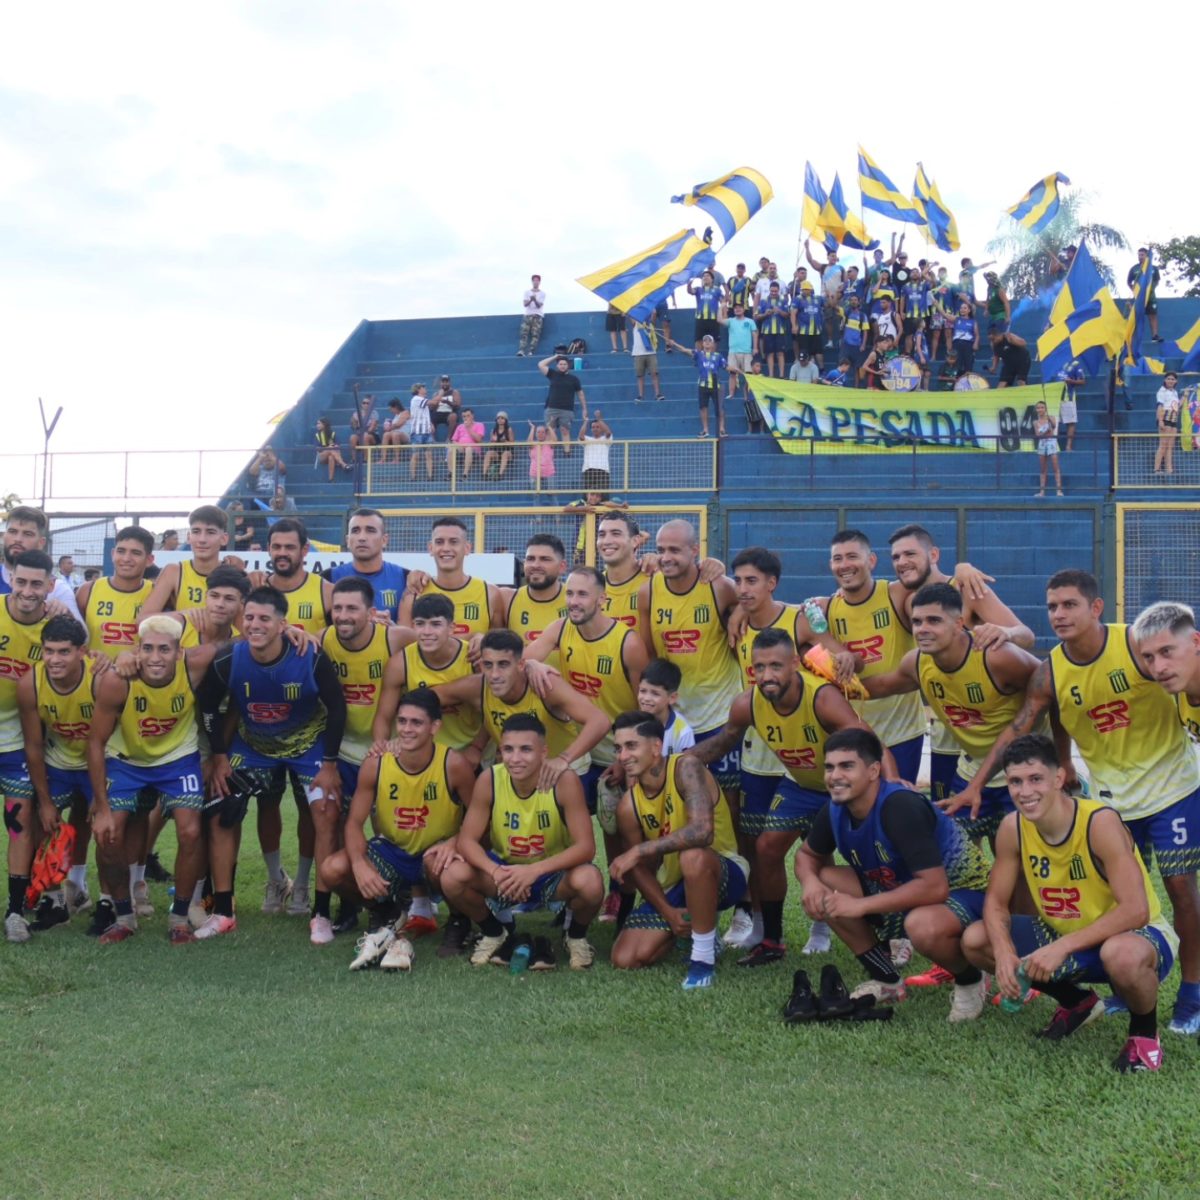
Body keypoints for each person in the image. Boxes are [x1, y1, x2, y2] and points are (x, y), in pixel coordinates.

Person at [954, 568, 1200, 1036]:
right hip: (1112, 799)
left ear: (1096, 608)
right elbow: (1041, 721)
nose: (1059, 614)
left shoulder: (1136, 645)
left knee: (1180, 888)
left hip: (1173, 789)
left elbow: (1180, 671)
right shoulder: (1050, 671)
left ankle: (1192, 990)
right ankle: (1124, 984)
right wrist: (991, 781)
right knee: (1118, 896)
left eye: (1069, 605)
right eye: (1052, 607)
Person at [963, 734, 1176, 1072]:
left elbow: (1136, 910)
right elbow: (996, 903)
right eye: (1016, 781)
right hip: (1066, 936)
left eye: (1036, 779)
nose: (1025, 791)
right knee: (976, 940)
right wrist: (1004, 952)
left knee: (1120, 955)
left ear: (1059, 778)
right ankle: (1078, 1003)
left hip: (1138, 936)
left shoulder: (1098, 822)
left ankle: (1144, 1035)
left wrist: (1061, 947)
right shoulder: (1012, 828)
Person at [690, 628, 887, 966]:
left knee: (865, 858)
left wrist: (893, 786)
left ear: (795, 664)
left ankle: (881, 934)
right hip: (800, 786)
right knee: (766, 848)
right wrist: (680, 762)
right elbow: (722, 743)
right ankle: (771, 938)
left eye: (776, 666)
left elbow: (868, 742)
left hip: (841, 788)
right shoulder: (747, 703)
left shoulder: (822, 697)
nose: (767, 675)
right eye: (759, 667)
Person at [794, 729, 992, 1019]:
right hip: (900, 887)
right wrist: (810, 883)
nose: (835, 776)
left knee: (922, 926)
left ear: (874, 770)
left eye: (847, 766)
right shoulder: (835, 808)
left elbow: (935, 888)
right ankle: (887, 981)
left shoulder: (900, 806)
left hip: (964, 892)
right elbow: (806, 855)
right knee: (825, 882)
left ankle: (970, 980)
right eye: (830, 767)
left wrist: (860, 905)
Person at [861, 582, 1048, 844]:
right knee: (954, 857)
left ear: (959, 623)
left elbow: (1048, 686)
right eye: (917, 622)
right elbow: (880, 686)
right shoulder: (917, 662)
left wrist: (1064, 761)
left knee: (1022, 859)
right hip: (972, 769)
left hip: (1023, 770)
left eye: (934, 620)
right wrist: (832, 683)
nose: (922, 629)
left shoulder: (995, 657)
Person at [85, 616, 221, 943]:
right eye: (147, 649)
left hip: (178, 760)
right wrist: (101, 807)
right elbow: (95, 742)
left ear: (179, 652)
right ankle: (124, 917)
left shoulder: (194, 665)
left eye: (164, 649)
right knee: (108, 835)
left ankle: (178, 919)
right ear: (137, 650)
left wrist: (286, 630)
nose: (155, 657)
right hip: (127, 761)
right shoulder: (119, 681)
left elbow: (242, 643)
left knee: (190, 830)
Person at [521, 565, 647, 919]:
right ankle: (568, 892)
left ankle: (626, 897)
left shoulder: (628, 643)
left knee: (623, 827)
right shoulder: (560, 628)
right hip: (582, 750)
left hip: (619, 751)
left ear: (602, 599)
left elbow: (644, 710)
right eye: (570, 594)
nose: (573, 602)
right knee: (563, 821)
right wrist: (534, 666)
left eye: (582, 595)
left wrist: (626, 759)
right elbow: (525, 657)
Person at [317, 689, 476, 967]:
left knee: (450, 868)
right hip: (392, 851)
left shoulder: (454, 765)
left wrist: (455, 842)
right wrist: (358, 862)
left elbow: (480, 819)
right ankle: (388, 912)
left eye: (416, 722)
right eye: (402, 721)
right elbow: (354, 823)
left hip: (435, 855)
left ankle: (459, 921)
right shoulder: (376, 763)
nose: (407, 729)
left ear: (435, 727)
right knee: (332, 869)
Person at [441, 713, 602, 969]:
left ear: (543, 752)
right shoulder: (490, 779)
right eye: (508, 749)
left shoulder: (564, 780)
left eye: (526, 749)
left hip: (550, 873)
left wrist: (532, 871)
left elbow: (586, 847)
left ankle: (575, 937)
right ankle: (494, 932)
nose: (515, 758)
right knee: (452, 876)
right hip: (503, 871)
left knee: (590, 881)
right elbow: (468, 841)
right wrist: (497, 871)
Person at [609, 713, 748, 988]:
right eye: (618, 748)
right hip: (676, 884)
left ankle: (702, 958)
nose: (623, 756)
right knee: (626, 958)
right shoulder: (628, 805)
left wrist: (639, 850)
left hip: (722, 871)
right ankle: (689, 927)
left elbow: (702, 832)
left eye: (631, 746)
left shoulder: (686, 767)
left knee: (692, 855)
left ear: (655, 746)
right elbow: (639, 870)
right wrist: (667, 912)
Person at [311, 578, 414, 943]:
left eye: (352, 608)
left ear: (371, 612)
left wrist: (480, 643)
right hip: (337, 751)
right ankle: (340, 905)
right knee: (332, 822)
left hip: (382, 751)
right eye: (337, 608)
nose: (343, 615)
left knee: (386, 826)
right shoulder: (321, 639)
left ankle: (405, 897)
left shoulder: (395, 638)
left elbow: (442, 645)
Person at [637, 521, 742, 795]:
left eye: (675, 549)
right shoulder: (648, 591)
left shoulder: (719, 587)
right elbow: (650, 655)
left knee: (727, 802)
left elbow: (756, 601)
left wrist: (742, 608)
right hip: (676, 719)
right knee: (674, 798)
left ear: (694, 550)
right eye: (661, 549)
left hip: (719, 717)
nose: (666, 557)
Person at [17, 616, 97, 931]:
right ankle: (54, 902)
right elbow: (34, 747)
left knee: (110, 826)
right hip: (59, 762)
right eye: (48, 651)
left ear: (82, 652)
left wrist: (102, 795)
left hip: (100, 763)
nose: (54, 659)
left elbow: (110, 739)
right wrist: (46, 801)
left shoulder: (101, 679)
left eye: (63, 652)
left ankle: (103, 899)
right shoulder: (30, 684)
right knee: (40, 818)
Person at [2, 551, 55, 942]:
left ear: (50, 586)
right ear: (10, 578)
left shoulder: (57, 630)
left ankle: (15, 912)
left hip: (20, 741)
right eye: (21, 582)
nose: (27, 591)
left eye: (37, 584)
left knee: (20, 825)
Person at [397, 516, 503, 639]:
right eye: (439, 542)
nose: (446, 548)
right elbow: (404, 648)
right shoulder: (414, 593)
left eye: (453, 542)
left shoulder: (490, 594)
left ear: (467, 548)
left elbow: (498, 647)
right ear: (431, 548)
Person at [76, 526, 154, 660]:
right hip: (95, 676)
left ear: (149, 560)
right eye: (121, 551)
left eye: (135, 553)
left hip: (139, 678)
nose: (126, 558)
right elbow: (73, 640)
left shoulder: (157, 593)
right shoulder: (87, 591)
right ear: (113, 554)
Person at [142, 504, 229, 615]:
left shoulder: (234, 575)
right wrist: (184, 616)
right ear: (188, 537)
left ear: (224, 539)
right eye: (196, 532)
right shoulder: (173, 572)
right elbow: (144, 619)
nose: (202, 539)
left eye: (210, 532)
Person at [1, 507, 83, 620]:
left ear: (41, 542)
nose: (18, 539)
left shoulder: (58, 589)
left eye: (28, 534)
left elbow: (83, 637)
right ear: (3, 536)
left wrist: (67, 615)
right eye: (12, 532)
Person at [328, 508, 409, 623]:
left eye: (370, 530)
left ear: (384, 540)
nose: (362, 538)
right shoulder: (328, 578)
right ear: (347, 540)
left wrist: (391, 630)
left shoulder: (406, 578)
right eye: (355, 531)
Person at [265, 518, 334, 635]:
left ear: (305, 549)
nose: (282, 553)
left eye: (290, 547)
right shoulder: (258, 587)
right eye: (276, 547)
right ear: (268, 549)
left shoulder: (326, 591)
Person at [503, 533, 568, 650]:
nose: (535, 565)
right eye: (530, 559)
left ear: (562, 566)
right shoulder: (507, 600)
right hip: (522, 668)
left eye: (545, 559)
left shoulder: (577, 600)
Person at [664, 332, 727, 439]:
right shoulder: (698, 354)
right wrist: (674, 344)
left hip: (716, 386)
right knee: (703, 407)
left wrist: (739, 371)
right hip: (702, 385)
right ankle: (705, 430)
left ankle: (721, 429)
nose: (707, 342)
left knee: (720, 407)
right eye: (705, 340)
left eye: (709, 341)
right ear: (702, 344)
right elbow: (684, 350)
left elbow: (728, 367)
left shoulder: (718, 356)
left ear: (713, 344)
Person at [636, 659, 695, 754]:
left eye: (655, 693)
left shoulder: (683, 732)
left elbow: (685, 765)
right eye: (642, 691)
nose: (646, 698)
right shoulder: (632, 724)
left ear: (672, 697)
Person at [537, 354, 586, 448]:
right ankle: (548, 453)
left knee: (565, 430)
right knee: (551, 430)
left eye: (565, 364)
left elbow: (580, 394)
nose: (563, 366)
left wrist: (584, 408)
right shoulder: (552, 374)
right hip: (551, 408)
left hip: (567, 409)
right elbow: (541, 364)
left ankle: (567, 452)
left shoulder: (574, 379)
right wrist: (555, 357)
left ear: (568, 365)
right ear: (557, 365)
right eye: (560, 364)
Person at [719, 301, 757, 408]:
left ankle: (749, 393)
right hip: (733, 352)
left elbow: (755, 334)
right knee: (732, 374)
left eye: (740, 307)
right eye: (735, 308)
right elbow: (719, 320)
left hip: (747, 351)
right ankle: (731, 393)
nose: (737, 309)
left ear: (744, 309)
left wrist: (755, 347)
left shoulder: (750, 321)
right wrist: (721, 307)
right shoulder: (731, 321)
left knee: (749, 374)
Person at [755, 281, 790, 380]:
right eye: (772, 291)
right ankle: (771, 375)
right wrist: (766, 314)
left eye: (775, 291)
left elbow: (787, 315)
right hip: (767, 331)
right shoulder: (763, 301)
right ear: (769, 290)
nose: (774, 293)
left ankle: (781, 375)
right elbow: (757, 316)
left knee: (780, 353)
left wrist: (779, 311)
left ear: (778, 290)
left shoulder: (783, 301)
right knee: (769, 353)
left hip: (780, 331)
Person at [1127, 248, 1162, 341]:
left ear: (1147, 256)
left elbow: (1157, 280)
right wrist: (1134, 290)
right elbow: (1129, 282)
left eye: (1142, 255)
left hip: (1150, 297)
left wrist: (1151, 289)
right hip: (1139, 298)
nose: (1140, 257)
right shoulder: (1134, 268)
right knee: (1137, 316)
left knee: (1153, 315)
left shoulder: (1153, 268)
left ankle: (1155, 336)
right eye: (1139, 255)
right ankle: (1134, 337)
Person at [1032, 400, 1064, 498]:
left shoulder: (1051, 418)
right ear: (1036, 410)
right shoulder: (1035, 422)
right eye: (1038, 408)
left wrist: (1050, 423)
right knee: (1043, 469)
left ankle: (1059, 491)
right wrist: (1046, 430)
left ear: (1045, 409)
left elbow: (1053, 428)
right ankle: (1042, 492)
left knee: (1055, 467)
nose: (1040, 409)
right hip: (1042, 444)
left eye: (1042, 407)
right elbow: (1038, 435)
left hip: (1051, 443)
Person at [629, 320, 665, 405]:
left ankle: (657, 394)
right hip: (638, 353)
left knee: (654, 373)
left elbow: (653, 315)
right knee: (640, 375)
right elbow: (631, 318)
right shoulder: (636, 323)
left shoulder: (650, 323)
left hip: (651, 352)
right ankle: (641, 395)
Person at [791, 282, 824, 368]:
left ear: (810, 290)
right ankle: (804, 369)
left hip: (816, 331)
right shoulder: (798, 299)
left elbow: (828, 305)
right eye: (803, 289)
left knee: (818, 352)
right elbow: (793, 313)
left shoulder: (818, 298)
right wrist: (794, 326)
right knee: (805, 352)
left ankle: (821, 370)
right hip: (804, 331)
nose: (804, 291)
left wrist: (831, 296)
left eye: (806, 289)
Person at [406, 382, 435, 480]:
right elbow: (433, 402)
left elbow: (424, 414)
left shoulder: (421, 400)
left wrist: (430, 424)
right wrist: (441, 394)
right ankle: (413, 477)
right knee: (416, 455)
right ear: (418, 389)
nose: (425, 389)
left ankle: (430, 477)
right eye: (423, 387)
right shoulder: (416, 399)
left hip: (426, 431)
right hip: (417, 432)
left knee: (429, 454)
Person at [688, 270, 723, 349]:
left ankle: (713, 359)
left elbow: (723, 303)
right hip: (700, 319)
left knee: (714, 340)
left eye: (707, 276)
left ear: (712, 279)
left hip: (713, 319)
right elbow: (690, 291)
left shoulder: (717, 290)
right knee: (698, 339)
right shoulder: (698, 289)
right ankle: (699, 359)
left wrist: (723, 316)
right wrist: (689, 284)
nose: (705, 277)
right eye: (704, 276)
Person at [1155, 372, 1181, 476]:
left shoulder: (1175, 392)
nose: (1171, 381)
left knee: (1170, 446)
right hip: (1165, 417)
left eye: (1173, 379)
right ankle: (1156, 469)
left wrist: (1185, 397)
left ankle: (1169, 469)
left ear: (1176, 381)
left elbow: (1176, 406)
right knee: (1163, 445)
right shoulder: (1162, 391)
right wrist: (1160, 420)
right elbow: (1160, 407)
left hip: (1174, 418)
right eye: (1169, 379)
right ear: (1165, 380)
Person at [448, 406, 485, 478]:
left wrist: (468, 428)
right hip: (461, 449)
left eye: (468, 416)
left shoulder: (479, 425)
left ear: (472, 416)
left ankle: (465, 474)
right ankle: (451, 474)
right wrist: (458, 445)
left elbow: (479, 440)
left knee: (468, 448)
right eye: (464, 416)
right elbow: (454, 440)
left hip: (474, 451)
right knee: (450, 449)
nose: (465, 418)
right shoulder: (460, 426)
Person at [839, 294, 868, 384]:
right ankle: (841, 384)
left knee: (857, 368)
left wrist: (863, 344)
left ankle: (856, 387)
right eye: (851, 300)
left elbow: (865, 332)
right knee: (843, 366)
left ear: (858, 302)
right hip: (846, 344)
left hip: (857, 345)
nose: (853, 302)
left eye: (855, 300)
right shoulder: (846, 313)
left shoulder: (863, 316)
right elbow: (842, 327)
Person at [581, 414, 613, 493]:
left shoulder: (605, 439)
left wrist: (599, 419)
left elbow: (608, 432)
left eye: (597, 427)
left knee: (603, 496)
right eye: (593, 427)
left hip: (603, 470)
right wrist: (585, 422)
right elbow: (581, 436)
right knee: (588, 496)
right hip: (589, 470)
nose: (595, 429)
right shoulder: (588, 439)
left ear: (601, 428)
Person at [1057, 359, 1083, 452]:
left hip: (1068, 397)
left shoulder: (1075, 363)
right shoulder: (1054, 362)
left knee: (1071, 422)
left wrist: (1071, 381)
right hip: (1053, 396)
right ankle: (1054, 445)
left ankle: (1068, 446)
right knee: (1054, 422)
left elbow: (1082, 381)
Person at [517, 274, 545, 357]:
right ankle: (521, 350)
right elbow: (525, 304)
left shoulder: (543, 293)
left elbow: (539, 305)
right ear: (532, 281)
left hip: (537, 316)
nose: (536, 282)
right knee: (523, 333)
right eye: (534, 280)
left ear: (539, 282)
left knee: (535, 334)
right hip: (528, 315)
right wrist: (530, 300)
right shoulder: (527, 292)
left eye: (537, 280)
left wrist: (535, 299)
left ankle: (531, 351)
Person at [482, 411, 515, 478]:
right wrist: (493, 441)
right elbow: (491, 444)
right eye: (498, 418)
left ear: (505, 420)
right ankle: (484, 474)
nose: (500, 419)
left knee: (505, 454)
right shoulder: (493, 431)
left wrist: (505, 441)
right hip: (497, 452)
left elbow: (512, 444)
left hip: (507, 452)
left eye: (502, 418)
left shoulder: (509, 430)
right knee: (488, 453)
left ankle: (500, 474)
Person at [951, 301, 979, 377]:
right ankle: (957, 385)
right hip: (957, 344)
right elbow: (944, 315)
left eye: (965, 308)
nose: (962, 309)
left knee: (968, 365)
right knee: (957, 365)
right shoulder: (956, 319)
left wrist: (976, 343)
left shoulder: (973, 321)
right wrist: (936, 304)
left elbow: (977, 335)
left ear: (969, 310)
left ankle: (968, 384)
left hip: (968, 345)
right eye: (961, 308)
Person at [431, 375, 462, 441]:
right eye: (443, 382)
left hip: (449, 413)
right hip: (438, 413)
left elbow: (458, 405)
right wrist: (436, 403)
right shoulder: (436, 393)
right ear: (440, 383)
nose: (445, 383)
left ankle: (448, 438)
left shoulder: (454, 392)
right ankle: (432, 440)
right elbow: (432, 407)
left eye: (446, 382)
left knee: (453, 416)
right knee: (428, 418)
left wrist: (447, 402)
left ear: (449, 383)